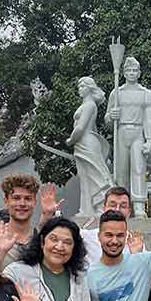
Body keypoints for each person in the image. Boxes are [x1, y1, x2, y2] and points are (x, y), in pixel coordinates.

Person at [105, 56, 151, 217]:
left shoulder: (146, 93)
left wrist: (150, 140)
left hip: (138, 132)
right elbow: (107, 120)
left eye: (135, 70)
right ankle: (121, 206)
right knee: (121, 172)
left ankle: (139, 206)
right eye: (129, 70)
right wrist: (111, 116)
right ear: (124, 73)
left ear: (139, 73)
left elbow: (149, 119)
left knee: (139, 169)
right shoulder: (116, 93)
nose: (132, 73)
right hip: (121, 132)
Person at [67, 77, 113, 217]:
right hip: (83, 143)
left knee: (96, 175)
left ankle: (102, 206)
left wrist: (71, 140)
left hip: (86, 142)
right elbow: (94, 129)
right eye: (79, 87)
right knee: (85, 177)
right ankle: (86, 209)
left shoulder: (90, 105)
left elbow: (81, 128)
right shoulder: (86, 105)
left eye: (82, 86)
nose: (79, 89)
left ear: (90, 87)